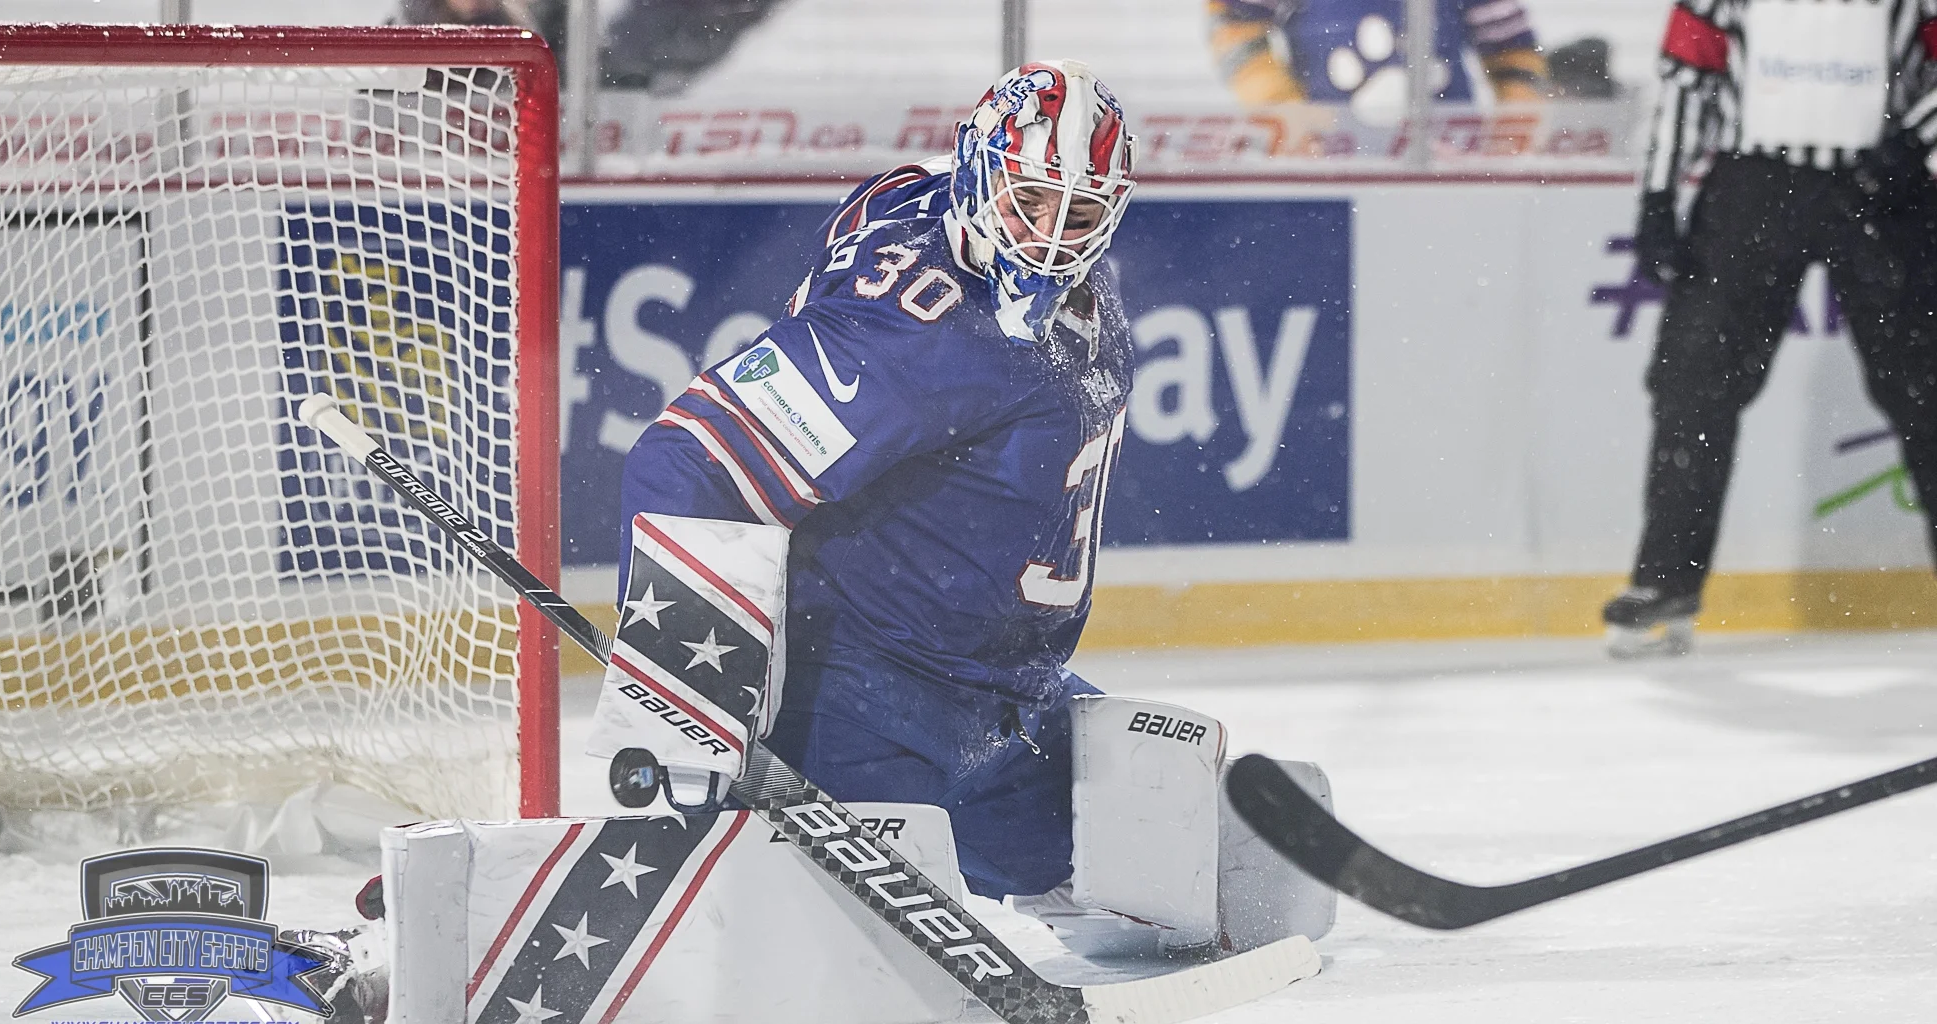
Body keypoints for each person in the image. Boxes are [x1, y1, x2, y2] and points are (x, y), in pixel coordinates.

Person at [606, 60, 1136, 908]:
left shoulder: (931, 209)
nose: (1049, 239)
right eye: (1029, 201)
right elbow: (688, 459)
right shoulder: (919, 338)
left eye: (1079, 212)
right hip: (866, 712)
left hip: (1012, 710)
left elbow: (893, 194)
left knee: (1182, 863)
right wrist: (684, 705)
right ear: (980, 173)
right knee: (824, 974)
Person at [1604, 0, 1937, 656]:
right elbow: (1686, 74)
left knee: (1926, 389)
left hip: (1886, 188)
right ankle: (1665, 581)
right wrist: (1659, 194)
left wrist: (1912, 147)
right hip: (1755, 186)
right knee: (1694, 382)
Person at [1207, 0, 1546, 123]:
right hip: (1328, 159)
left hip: (1444, 160)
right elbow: (1233, 24)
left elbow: (1512, 51)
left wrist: (1515, 128)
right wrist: (1280, 107)